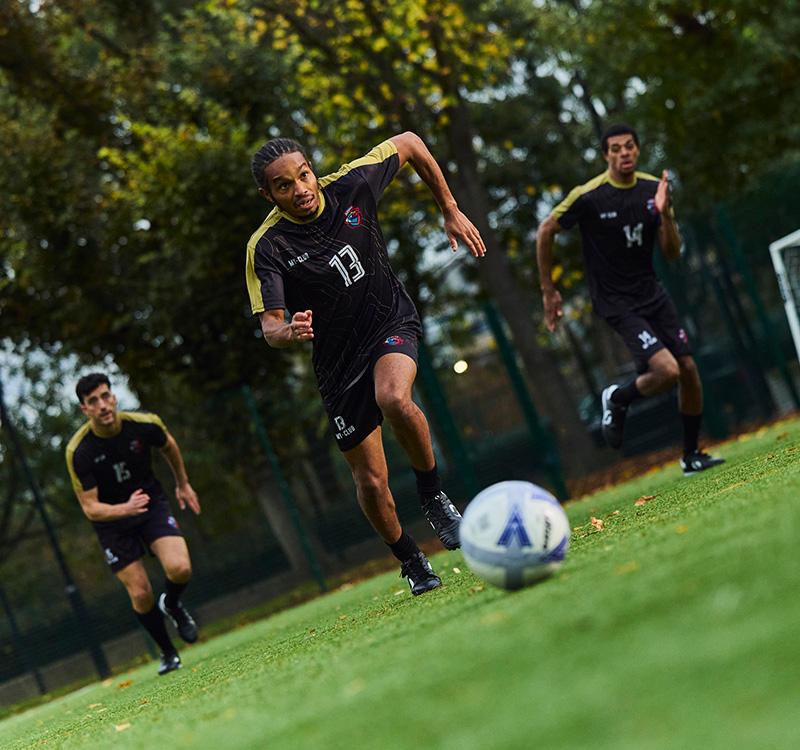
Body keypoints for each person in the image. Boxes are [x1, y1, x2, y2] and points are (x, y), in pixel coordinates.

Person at [245, 131, 486, 594]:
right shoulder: (267, 246)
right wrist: (288, 331)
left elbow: (412, 142)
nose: (300, 189)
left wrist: (449, 207)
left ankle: (433, 495)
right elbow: (270, 327)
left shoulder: (353, 184)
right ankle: (412, 560)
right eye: (283, 185)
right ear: (267, 194)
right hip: (336, 364)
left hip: (388, 319)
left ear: (313, 170)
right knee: (372, 482)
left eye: (304, 174)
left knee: (393, 397)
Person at [536, 123, 724, 477]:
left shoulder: (655, 188)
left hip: (652, 291)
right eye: (616, 148)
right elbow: (546, 229)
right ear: (606, 155)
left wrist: (665, 213)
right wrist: (549, 289)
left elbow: (672, 253)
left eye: (629, 147)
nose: (624, 153)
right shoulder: (589, 195)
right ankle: (618, 398)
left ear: (637, 150)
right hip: (614, 300)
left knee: (689, 371)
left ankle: (691, 455)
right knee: (667, 370)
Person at [66, 373, 201, 675]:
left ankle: (174, 604)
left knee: (180, 568)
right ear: (84, 410)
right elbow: (90, 508)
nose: (102, 405)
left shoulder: (144, 424)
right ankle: (168, 653)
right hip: (112, 523)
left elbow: (170, 446)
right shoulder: (79, 451)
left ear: (113, 397)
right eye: (93, 401)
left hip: (149, 505)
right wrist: (123, 509)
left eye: (105, 396)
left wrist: (183, 484)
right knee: (140, 593)